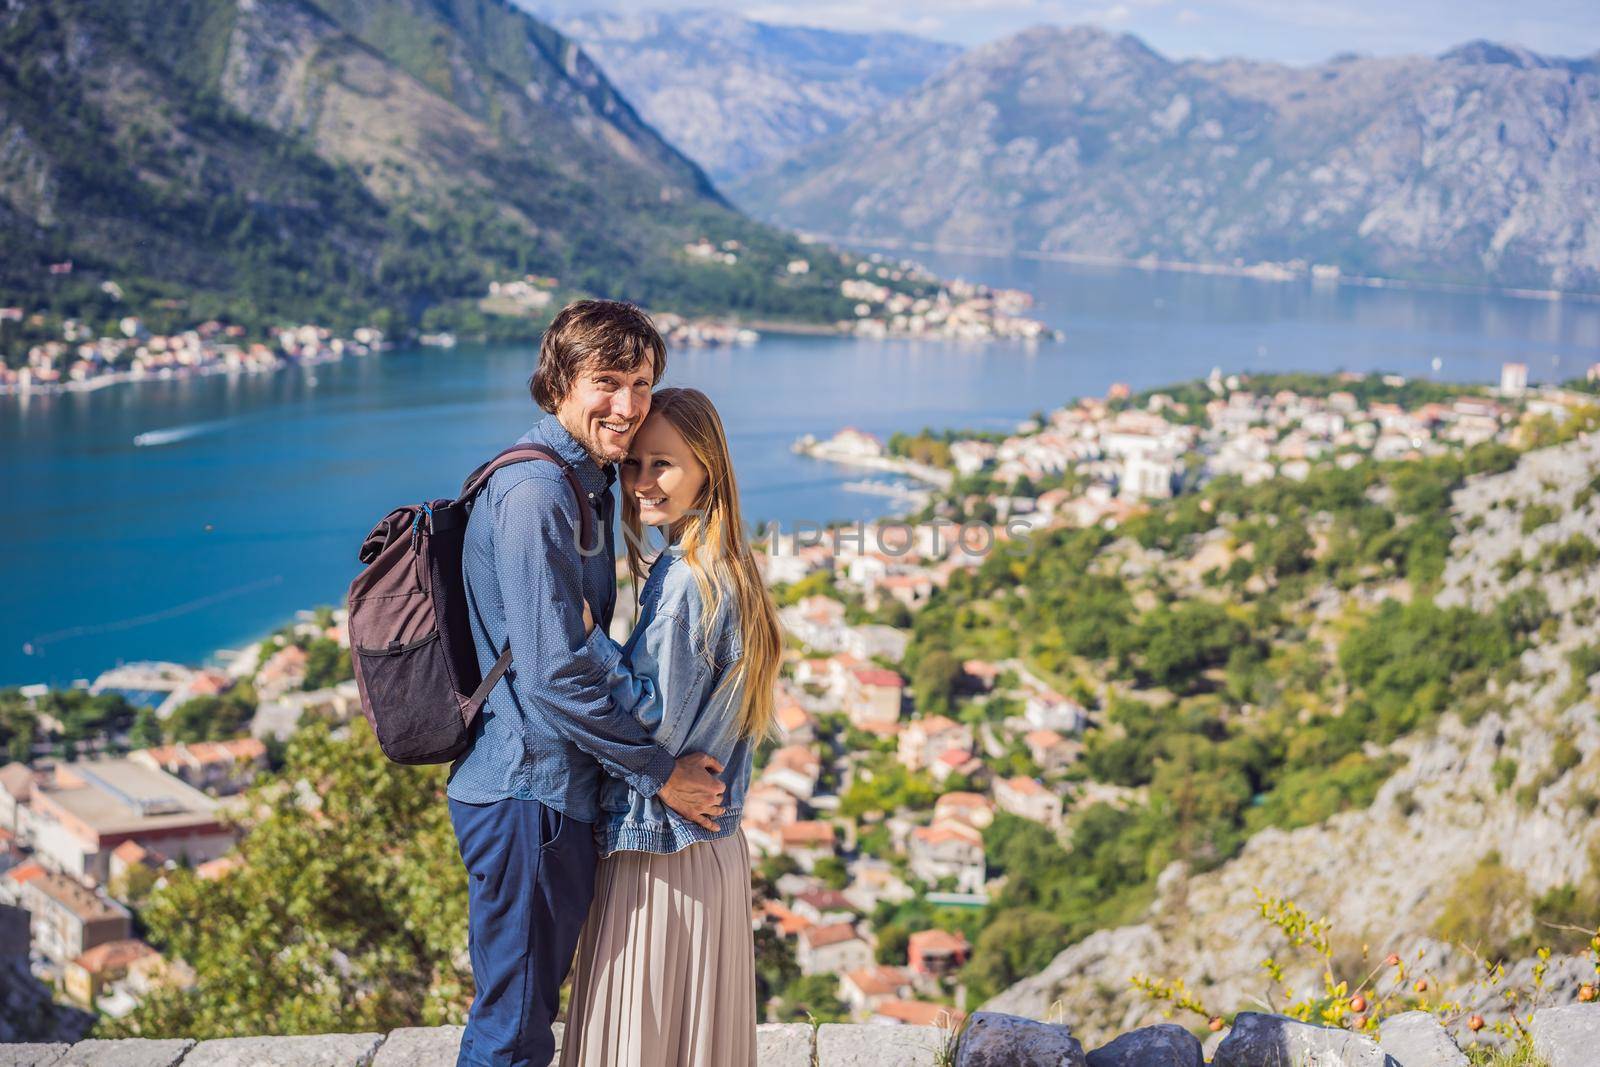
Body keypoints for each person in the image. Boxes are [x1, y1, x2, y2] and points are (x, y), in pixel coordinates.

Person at [449, 302, 727, 1067]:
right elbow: (554, 675)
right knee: (513, 1025)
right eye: (607, 381)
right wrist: (659, 773)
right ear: (559, 383)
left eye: (641, 382)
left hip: (539, 794)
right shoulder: (540, 494)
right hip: (527, 795)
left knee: (522, 1010)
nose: (630, 405)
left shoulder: (585, 482)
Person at [560, 388, 782, 1067]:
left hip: (662, 852)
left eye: (664, 465)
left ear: (707, 468)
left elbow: (653, 723)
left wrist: (589, 638)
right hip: (705, 851)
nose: (642, 483)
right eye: (634, 465)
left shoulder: (687, 579)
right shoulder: (731, 567)